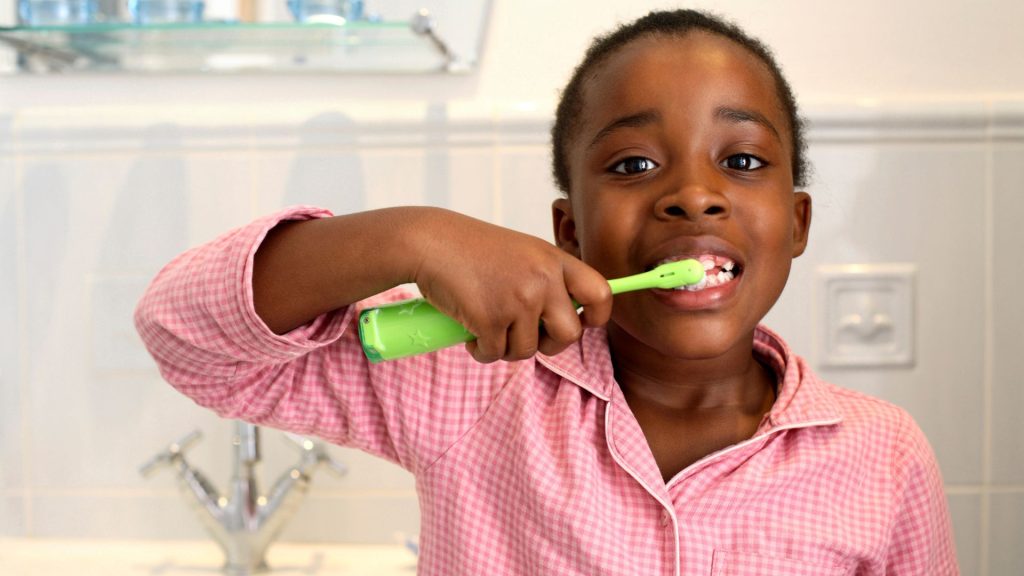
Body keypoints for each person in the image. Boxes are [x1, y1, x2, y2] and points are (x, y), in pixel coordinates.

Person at [135, 9, 958, 575]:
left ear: (798, 221)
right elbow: (186, 338)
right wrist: (411, 237)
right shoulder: (478, 379)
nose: (694, 196)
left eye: (742, 161)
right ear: (569, 232)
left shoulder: (881, 456)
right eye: (634, 165)